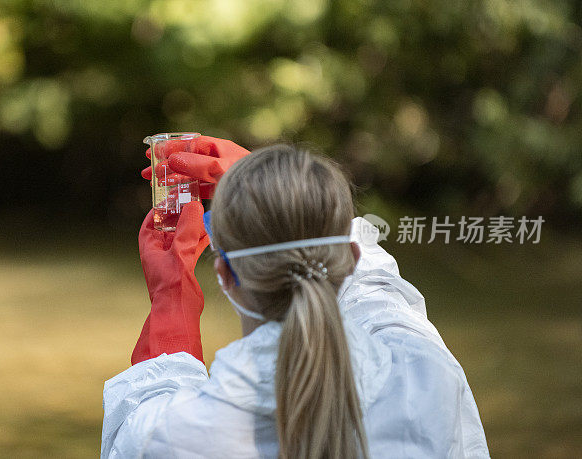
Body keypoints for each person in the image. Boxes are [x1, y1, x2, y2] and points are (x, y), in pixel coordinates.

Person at [101, 138, 490, 458]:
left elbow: (137, 422)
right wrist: (282, 194)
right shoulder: (426, 373)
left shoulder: (177, 435)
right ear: (351, 256)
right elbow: (378, 293)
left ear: (224, 275)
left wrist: (171, 299)